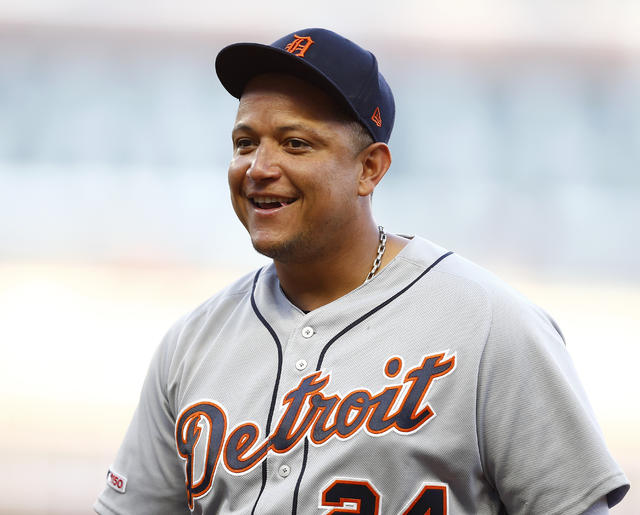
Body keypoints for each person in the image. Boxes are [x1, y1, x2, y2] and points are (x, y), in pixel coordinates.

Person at [94, 28, 629, 515]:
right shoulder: (192, 344)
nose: (259, 168)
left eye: (295, 143)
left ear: (369, 168)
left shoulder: (490, 327)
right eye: (245, 142)